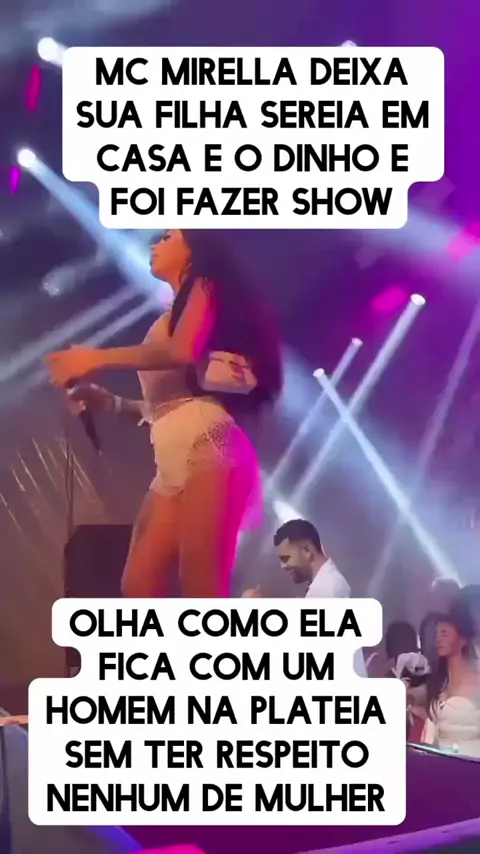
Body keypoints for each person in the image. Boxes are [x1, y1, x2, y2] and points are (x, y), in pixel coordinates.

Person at [45, 230, 283, 598]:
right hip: (174, 457)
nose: (155, 244)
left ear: (193, 248)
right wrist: (111, 402)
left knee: (202, 590)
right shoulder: (176, 314)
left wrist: (94, 358)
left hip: (209, 448)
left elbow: (181, 352)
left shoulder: (205, 284)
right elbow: (168, 405)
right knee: (138, 585)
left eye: (168, 237)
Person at [243, 519, 366, 675]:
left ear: (307, 551)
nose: (283, 566)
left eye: (286, 558)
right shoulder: (327, 584)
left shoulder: (327, 589)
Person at [422, 612, 480, 757]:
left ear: (462, 640)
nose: (438, 639)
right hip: (440, 761)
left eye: (444, 634)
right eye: (437, 634)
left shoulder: (477, 678)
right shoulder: (438, 680)